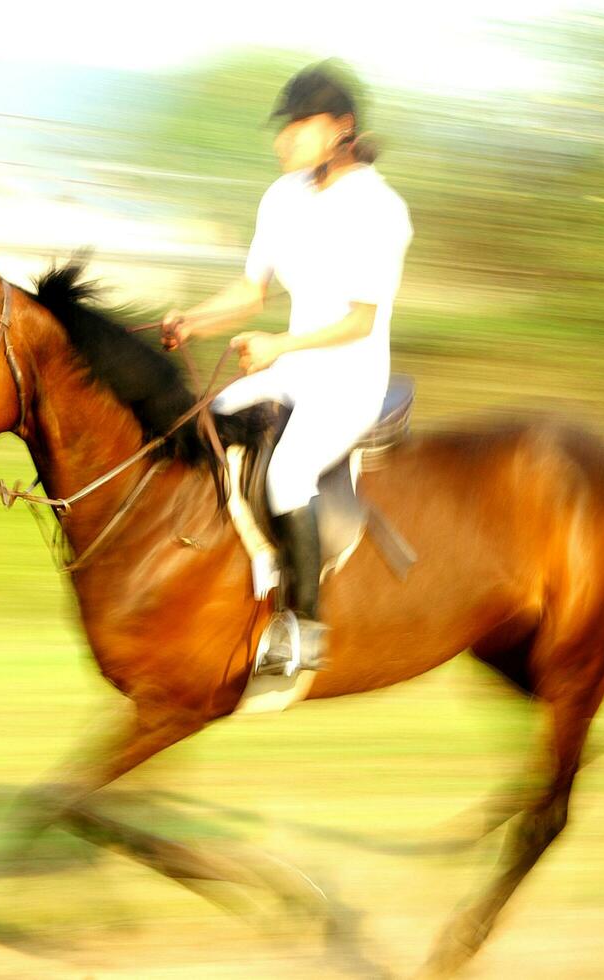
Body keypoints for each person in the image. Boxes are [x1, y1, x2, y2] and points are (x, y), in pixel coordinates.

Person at [162, 60, 414, 676]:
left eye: (300, 126)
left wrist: (279, 346)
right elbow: (251, 294)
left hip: (349, 378)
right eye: (284, 127)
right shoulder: (281, 198)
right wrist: (192, 320)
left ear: (341, 129)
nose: (284, 139)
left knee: (288, 473)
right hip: (293, 366)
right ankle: (238, 574)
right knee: (204, 425)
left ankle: (305, 628)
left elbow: (359, 323)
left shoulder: (379, 210)